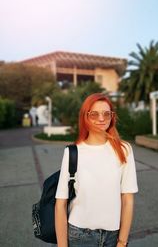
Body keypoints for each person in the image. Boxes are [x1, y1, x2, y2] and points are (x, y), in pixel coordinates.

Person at [55, 93, 138, 247]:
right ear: (85, 117)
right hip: (79, 235)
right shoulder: (73, 152)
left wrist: (122, 241)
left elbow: (128, 199)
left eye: (107, 114)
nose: (101, 119)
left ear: (112, 117)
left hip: (113, 235)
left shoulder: (124, 150)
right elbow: (60, 203)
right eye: (94, 114)